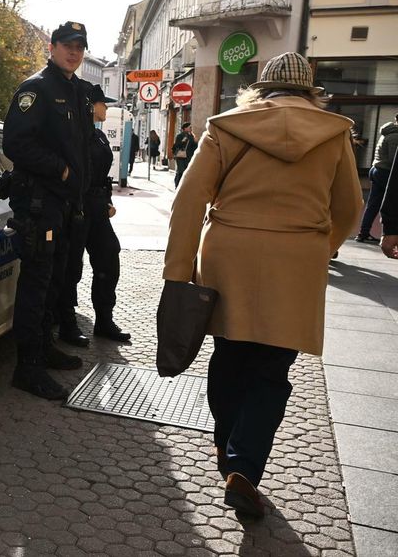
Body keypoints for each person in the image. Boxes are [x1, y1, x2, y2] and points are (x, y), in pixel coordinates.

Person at [163, 52, 362, 519]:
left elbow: (188, 202)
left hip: (229, 255)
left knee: (229, 355)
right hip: (295, 261)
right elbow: (349, 209)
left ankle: (223, 444)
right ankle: (245, 468)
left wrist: (178, 271)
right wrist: (319, 247)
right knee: (272, 370)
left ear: (261, 88)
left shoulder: (227, 127)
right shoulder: (334, 134)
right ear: (311, 92)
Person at [2, 21, 93, 401]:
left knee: (55, 281)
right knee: (36, 285)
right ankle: (28, 367)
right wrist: (62, 169)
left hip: (64, 204)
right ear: (52, 47)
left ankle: (45, 347)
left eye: (80, 47)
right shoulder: (36, 89)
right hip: (40, 202)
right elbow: (15, 144)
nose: (74, 52)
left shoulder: (73, 90)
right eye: (67, 45)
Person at [57, 84, 131, 347]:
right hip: (77, 208)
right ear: (90, 105)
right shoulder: (74, 135)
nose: (107, 107)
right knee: (71, 268)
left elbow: (101, 176)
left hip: (97, 208)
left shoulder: (98, 136)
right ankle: (67, 324)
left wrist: (107, 201)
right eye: (102, 103)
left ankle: (104, 320)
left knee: (109, 259)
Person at [355, 113, 398, 243]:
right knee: (391, 203)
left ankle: (363, 233)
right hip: (386, 172)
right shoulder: (395, 136)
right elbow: (394, 160)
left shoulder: (387, 132)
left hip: (376, 169)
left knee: (373, 204)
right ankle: (389, 234)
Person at [171, 122, 198, 187]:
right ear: (185, 128)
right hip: (180, 157)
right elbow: (176, 146)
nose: (191, 128)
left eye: (191, 127)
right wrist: (182, 141)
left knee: (186, 171)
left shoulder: (192, 136)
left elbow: (194, 147)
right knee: (181, 171)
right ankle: (177, 184)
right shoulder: (179, 136)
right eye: (190, 127)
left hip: (188, 157)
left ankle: (183, 186)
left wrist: (196, 142)